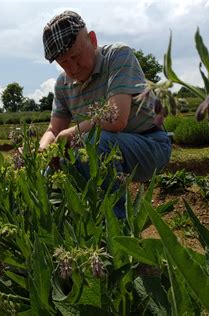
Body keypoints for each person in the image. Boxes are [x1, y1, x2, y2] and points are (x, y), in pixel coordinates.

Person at [39, 10, 171, 218]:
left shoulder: (118, 56)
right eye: (63, 63)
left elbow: (115, 118)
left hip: (151, 144)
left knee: (92, 143)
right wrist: (43, 150)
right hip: (107, 144)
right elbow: (54, 129)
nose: (72, 68)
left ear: (92, 40)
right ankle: (57, 225)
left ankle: (116, 230)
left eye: (75, 56)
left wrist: (70, 134)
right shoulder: (62, 84)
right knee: (49, 168)